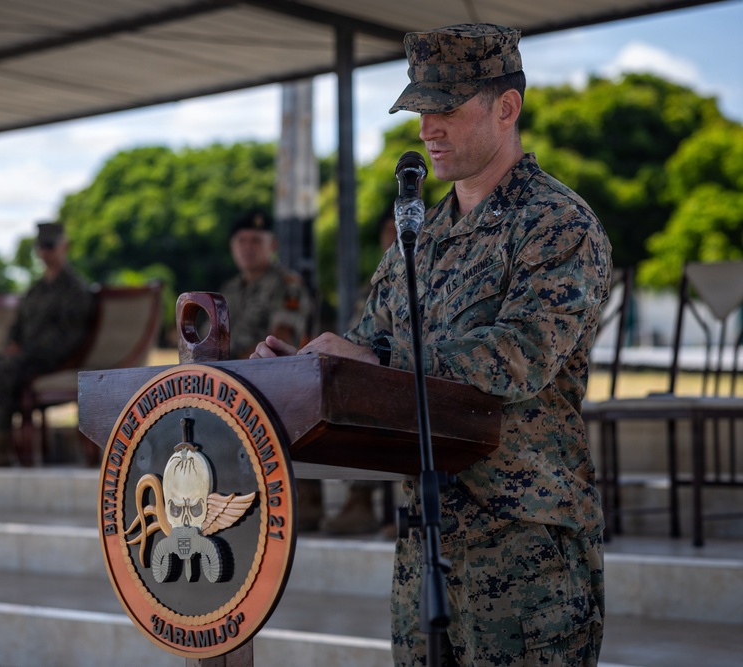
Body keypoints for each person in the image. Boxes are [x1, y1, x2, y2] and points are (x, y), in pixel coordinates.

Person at [253, 24, 611, 665]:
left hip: (527, 546)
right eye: (421, 110)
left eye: (446, 108)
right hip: (427, 546)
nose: (426, 130)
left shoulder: (557, 223)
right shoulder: (416, 240)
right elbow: (365, 356)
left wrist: (378, 361)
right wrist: (305, 373)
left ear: (507, 107)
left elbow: (522, 353)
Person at [0, 222, 94, 466]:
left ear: (65, 247)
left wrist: (25, 351)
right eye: (40, 246)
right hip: (22, 357)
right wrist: (13, 343)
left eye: (50, 246)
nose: (44, 252)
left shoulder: (75, 290)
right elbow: (17, 325)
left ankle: (1, 449)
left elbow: (68, 339)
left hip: (49, 359)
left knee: (0, 371)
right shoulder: (36, 289)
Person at [219, 209, 322, 530]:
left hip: (284, 382)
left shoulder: (288, 284)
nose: (248, 247)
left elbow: (281, 344)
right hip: (235, 380)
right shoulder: (229, 290)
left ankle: (303, 498)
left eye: (256, 240)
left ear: (272, 244)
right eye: (241, 240)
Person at [323, 210, 399, 536]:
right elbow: (358, 337)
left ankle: (368, 500)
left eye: (403, 227)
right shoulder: (378, 284)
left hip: (419, 381)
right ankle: (353, 499)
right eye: (387, 230)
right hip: (377, 381)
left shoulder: (440, 277)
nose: (394, 235)